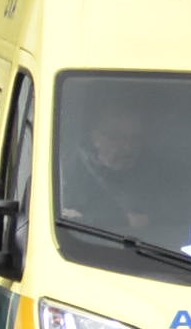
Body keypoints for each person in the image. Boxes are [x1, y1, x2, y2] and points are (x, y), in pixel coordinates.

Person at [57, 102, 159, 238]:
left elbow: (175, 209)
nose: (127, 146)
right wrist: (121, 219)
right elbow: (63, 221)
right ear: (94, 137)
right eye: (116, 137)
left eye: (134, 138)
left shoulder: (156, 173)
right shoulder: (63, 174)